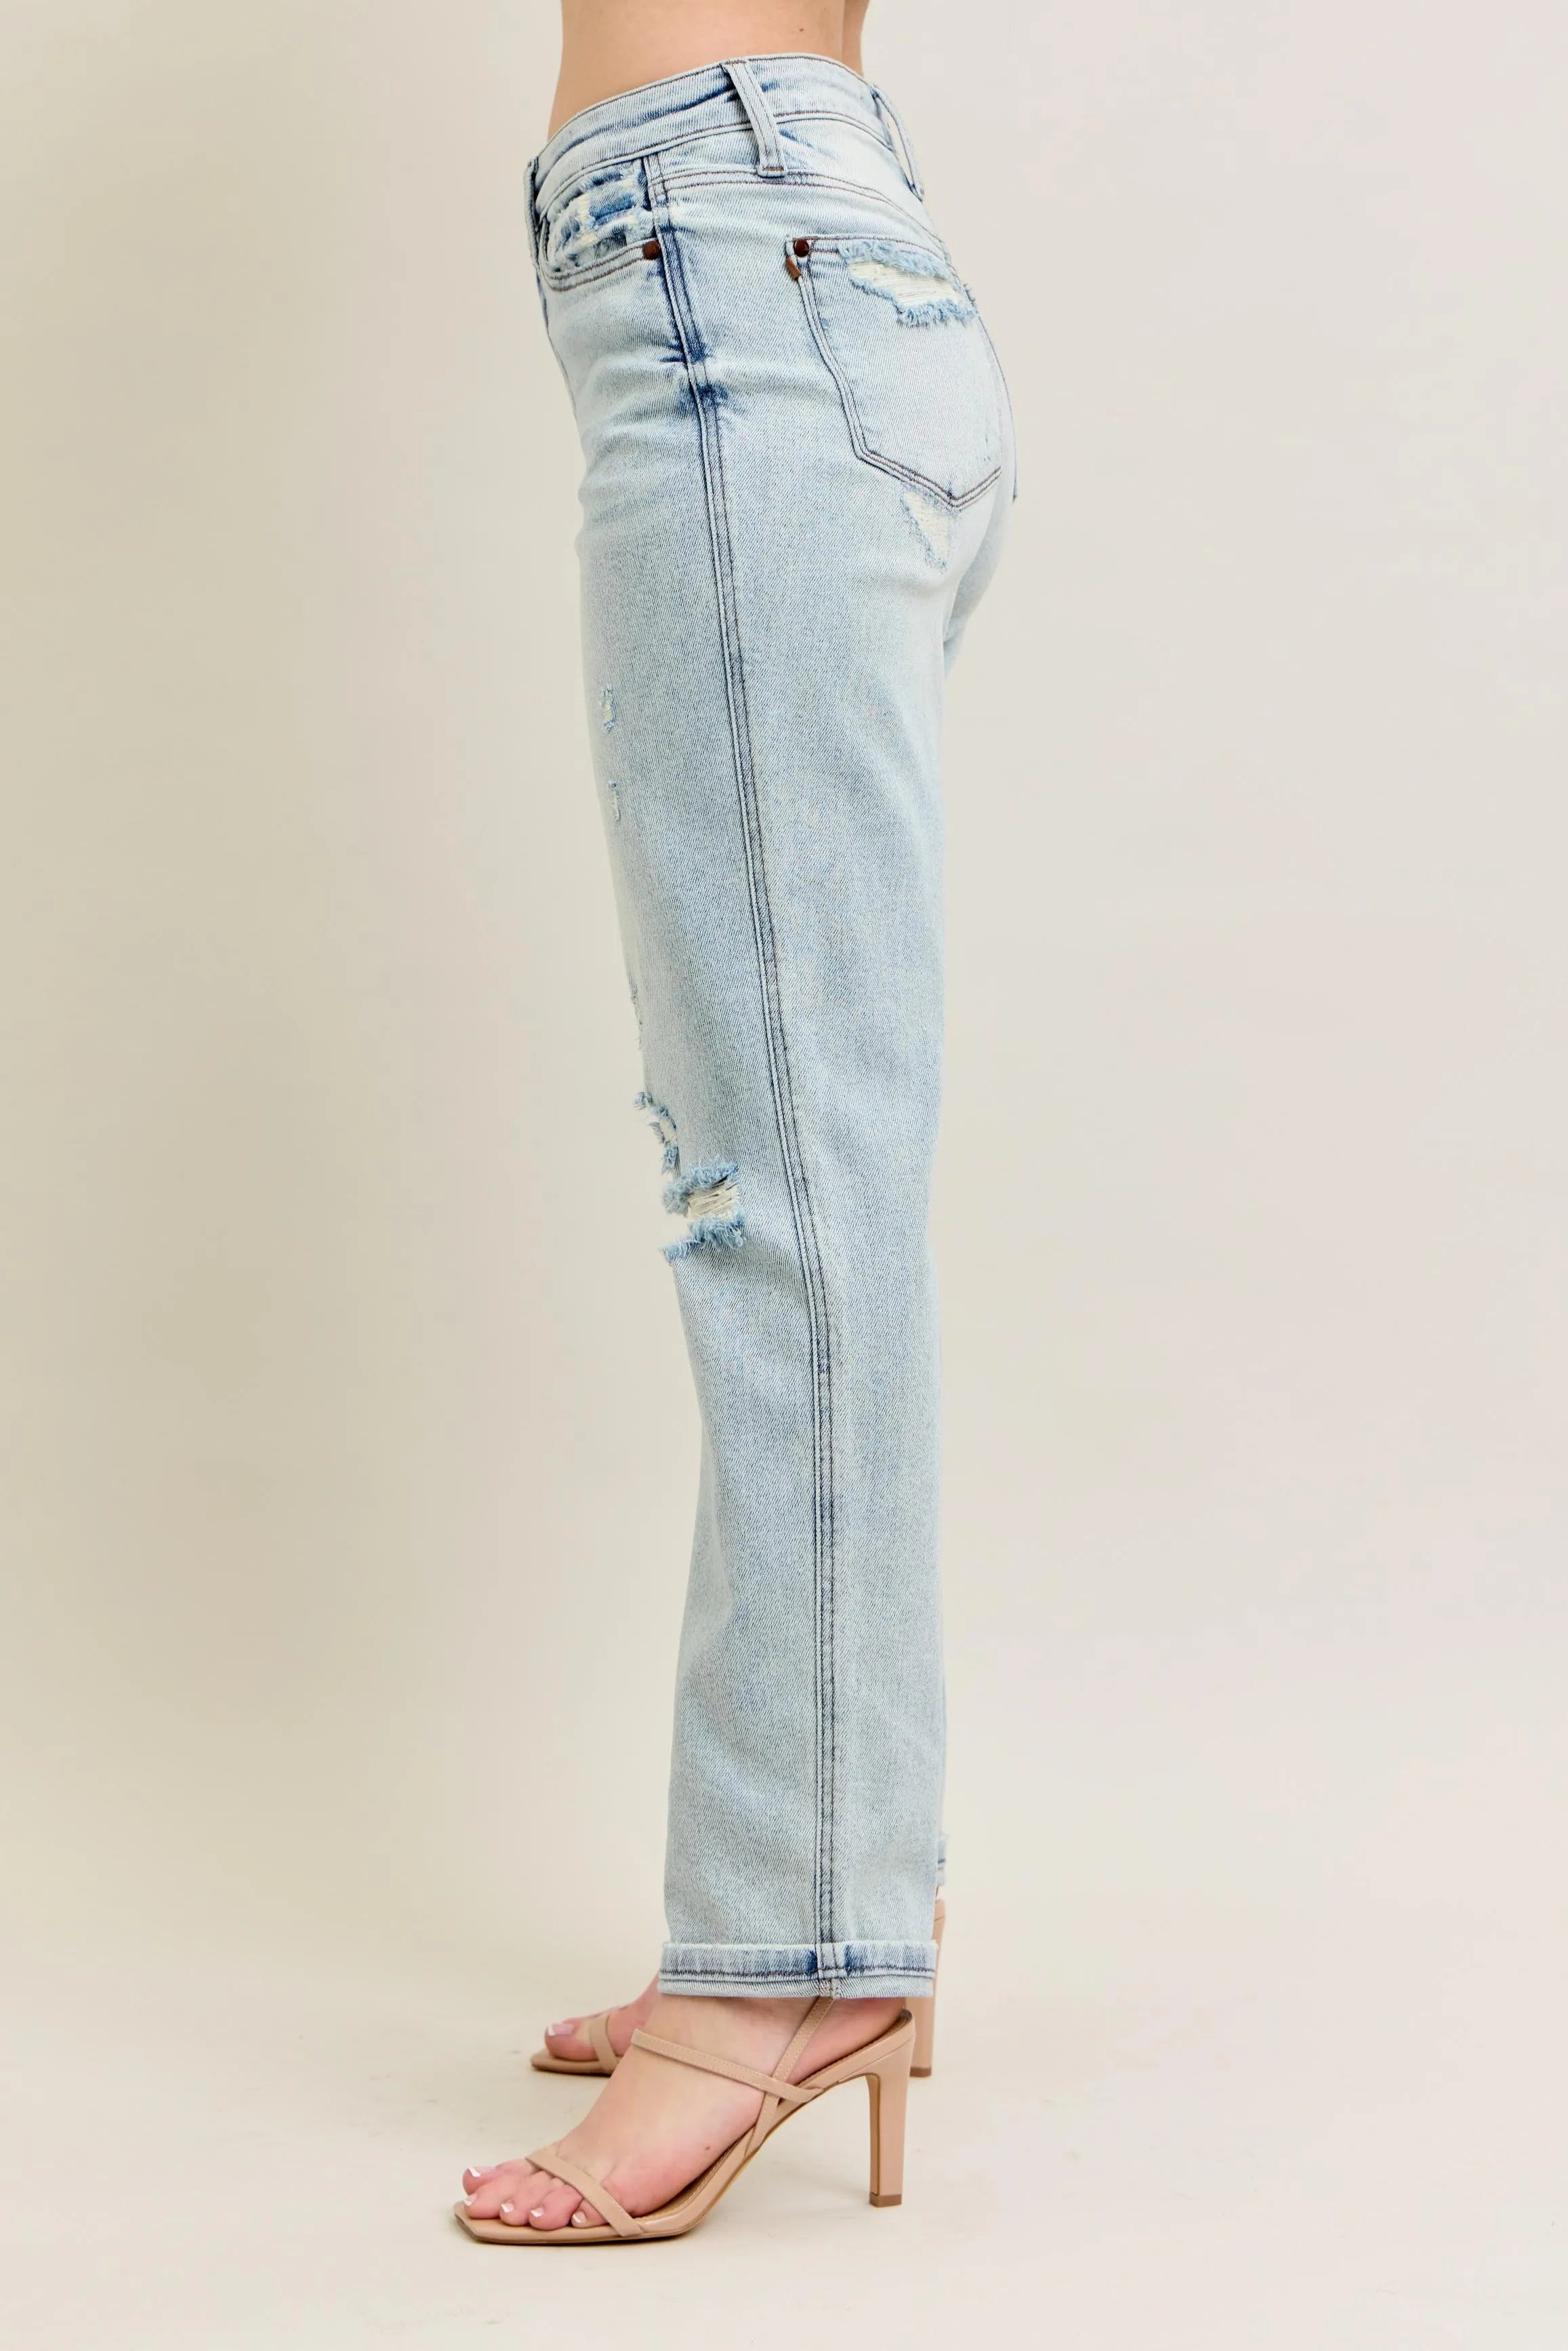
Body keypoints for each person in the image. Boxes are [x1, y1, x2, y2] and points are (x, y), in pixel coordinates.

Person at [458, 0, 1014, 2244]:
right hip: (781, 254)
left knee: (771, 1187)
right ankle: (831, 1884)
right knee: (794, 1164)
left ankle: (792, 1956)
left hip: (731, 271)